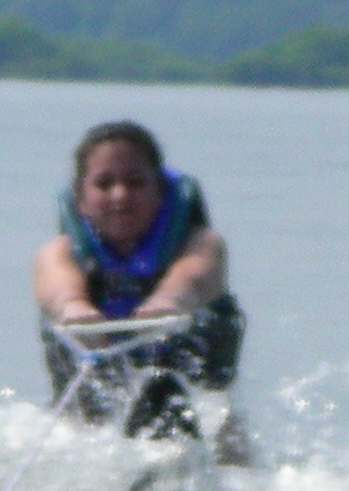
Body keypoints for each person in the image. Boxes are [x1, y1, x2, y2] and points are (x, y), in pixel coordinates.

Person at [33, 120, 246, 442]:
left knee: (219, 419)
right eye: (104, 184)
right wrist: (74, 307)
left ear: (159, 190)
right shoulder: (58, 254)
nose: (120, 195)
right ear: (80, 197)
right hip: (94, 387)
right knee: (73, 423)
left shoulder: (203, 244)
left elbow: (191, 277)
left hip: (193, 391)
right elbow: (59, 288)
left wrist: (169, 302)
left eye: (135, 183)